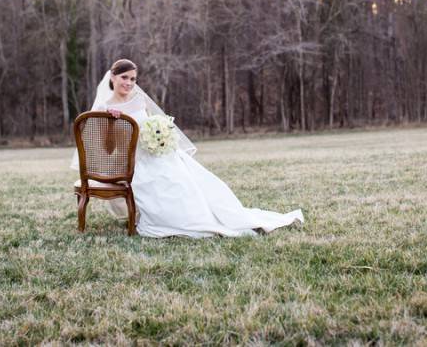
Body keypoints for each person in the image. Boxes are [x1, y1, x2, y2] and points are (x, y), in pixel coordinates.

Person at [70, 58, 304, 238]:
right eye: (124, 78)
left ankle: (213, 215)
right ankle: (175, 218)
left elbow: (153, 125)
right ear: (112, 77)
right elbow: (108, 148)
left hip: (157, 152)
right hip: (133, 162)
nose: (129, 83)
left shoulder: (140, 100)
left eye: (133, 79)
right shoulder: (103, 107)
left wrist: (160, 138)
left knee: (187, 178)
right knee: (163, 183)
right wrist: (112, 122)